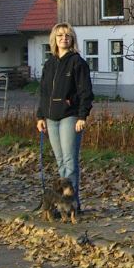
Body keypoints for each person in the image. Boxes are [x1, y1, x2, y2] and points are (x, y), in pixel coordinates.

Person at [36, 23, 94, 203]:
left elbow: (85, 92)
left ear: (72, 39)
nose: (64, 38)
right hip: (51, 118)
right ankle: (63, 202)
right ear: (54, 39)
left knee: (70, 162)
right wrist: (40, 116)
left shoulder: (77, 62)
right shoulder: (49, 64)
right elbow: (44, 92)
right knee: (60, 161)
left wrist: (82, 116)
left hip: (70, 116)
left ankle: (73, 204)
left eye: (67, 35)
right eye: (60, 35)